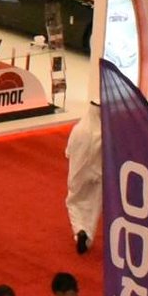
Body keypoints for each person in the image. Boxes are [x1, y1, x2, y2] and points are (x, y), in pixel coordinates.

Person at [63, 104, 101, 255]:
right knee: (94, 205)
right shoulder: (106, 133)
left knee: (74, 201)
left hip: (78, 173)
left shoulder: (78, 129)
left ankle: (80, 230)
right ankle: (88, 234)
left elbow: (68, 152)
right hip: (99, 174)